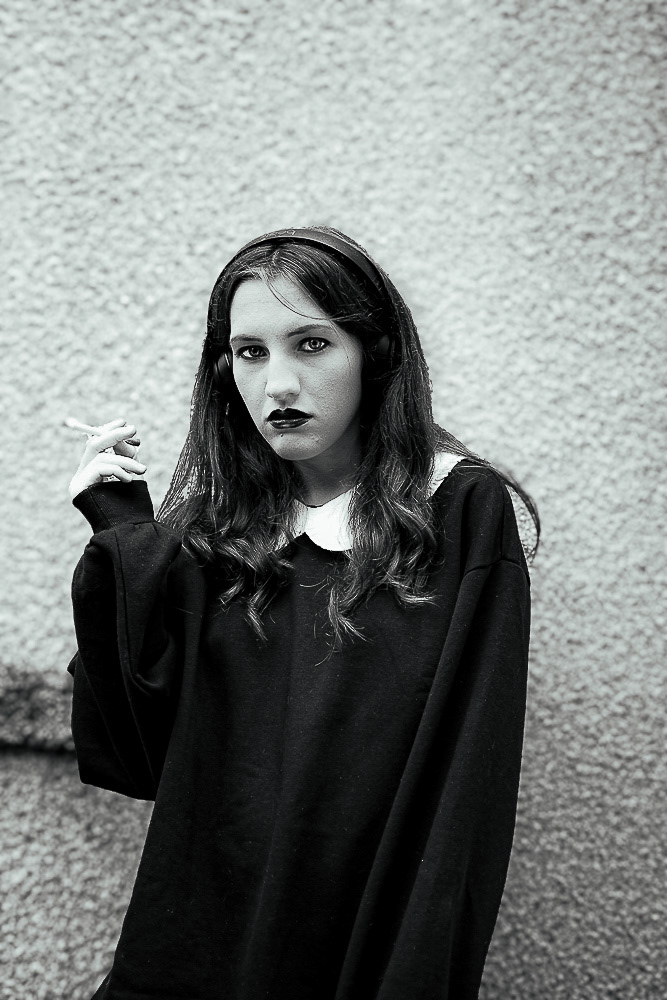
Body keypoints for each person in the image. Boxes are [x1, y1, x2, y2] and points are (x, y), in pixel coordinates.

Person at [67, 226, 539, 1000]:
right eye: (249, 353)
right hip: (200, 940)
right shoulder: (215, 531)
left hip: (357, 941)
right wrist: (122, 534)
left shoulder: (455, 508)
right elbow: (135, 756)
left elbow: (465, 789)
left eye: (311, 344)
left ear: (373, 354)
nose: (277, 384)